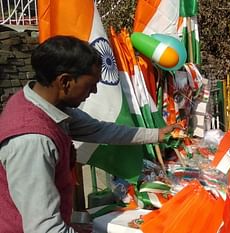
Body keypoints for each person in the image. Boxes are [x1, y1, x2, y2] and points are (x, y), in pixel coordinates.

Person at [0, 36, 182, 232]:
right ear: (65, 82)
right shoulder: (32, 141)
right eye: (90, 84)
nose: (94, 91)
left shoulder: (45, 104)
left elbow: (100, 130)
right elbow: (45, 228)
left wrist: (157, 134)